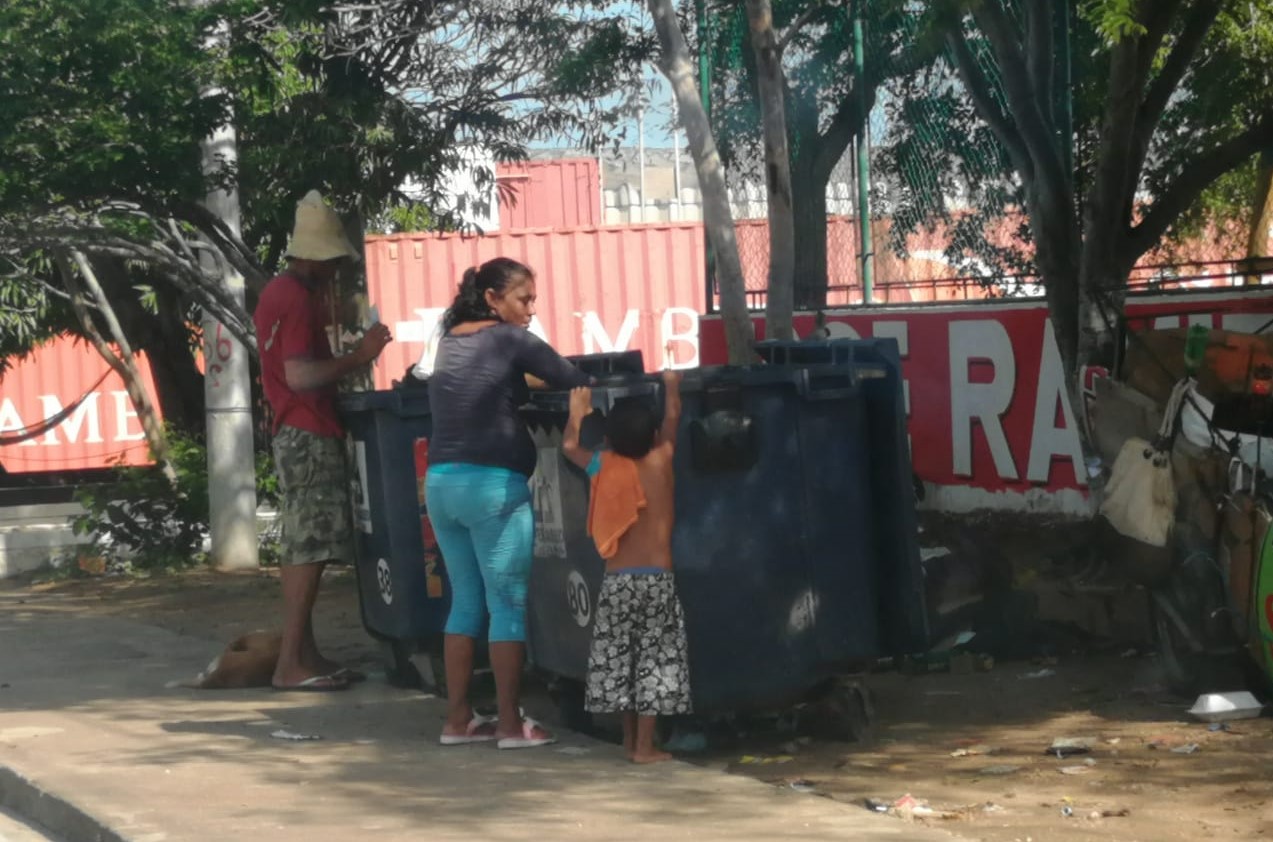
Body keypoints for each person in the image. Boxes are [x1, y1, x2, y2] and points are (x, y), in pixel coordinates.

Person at [426, 257, 590, 749]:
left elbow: (491, 386)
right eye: (524, 299)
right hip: (492, 488)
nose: (530, 311)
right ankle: (510, 724)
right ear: (493, 299)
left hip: (441, 484)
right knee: (507, 607)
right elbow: (569, 375)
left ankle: (457, 720)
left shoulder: (449, 340)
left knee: (465, 605)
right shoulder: (509, 339)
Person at [254, 190, 392, 692]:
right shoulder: (293, 296)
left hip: (299, 427)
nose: (336, 272)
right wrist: (361, 355)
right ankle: (291, 661)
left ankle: (303, 654)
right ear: (319, 258)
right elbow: (299, 375)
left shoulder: (280, 293)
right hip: (307, 428)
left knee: (306, 543)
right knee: (308, 547)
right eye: (333, 262)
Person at [562, 370, 692, 763]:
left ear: (608, 439)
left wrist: (577, 413)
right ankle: (645, 747)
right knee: (654, 659)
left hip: (616, 581)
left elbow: (568, 447)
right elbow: (673, 417)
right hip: (656, 581)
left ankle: (628, 738)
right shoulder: (662, 458)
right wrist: (671, 385)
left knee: (619, 659)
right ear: (653, 436)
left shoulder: (603, 465)